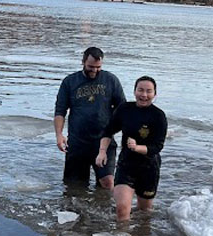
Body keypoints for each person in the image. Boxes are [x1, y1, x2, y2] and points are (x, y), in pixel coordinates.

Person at [95, 76, 167, 221]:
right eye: (140, 90)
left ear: (154, 94)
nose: (144, 95)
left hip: (149, 167)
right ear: (134, 91)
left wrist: (137, 147)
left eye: (149, 91)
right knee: (122, 209)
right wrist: (102, 152)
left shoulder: (158, 116)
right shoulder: (125, 109)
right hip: (127, 165)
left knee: (144, 211)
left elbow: (157, 146)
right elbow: (108, 131)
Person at [54, 47, 126, 189]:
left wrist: (127, 135)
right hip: (77, 142)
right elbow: (60, 111)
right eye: (90, 67)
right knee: (74, 187)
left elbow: (123, 109)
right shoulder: (70, 82)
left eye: (98, 67)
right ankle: (79, 209)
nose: (94, 70)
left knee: (107, 183)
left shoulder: (111, 80)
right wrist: (59, 135)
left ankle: (104, 209)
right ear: (83, 62)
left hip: (104, 141)